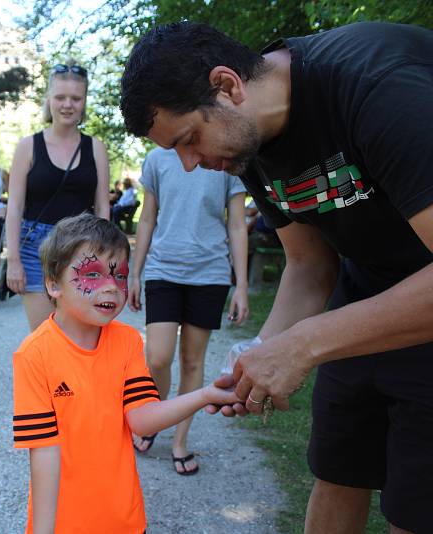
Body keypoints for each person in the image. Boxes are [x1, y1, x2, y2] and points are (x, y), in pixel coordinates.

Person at [120, 21, 433, 533]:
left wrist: (306, 343)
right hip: (362, 295)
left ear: (227, 86)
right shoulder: (246, 142)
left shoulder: (380, 88)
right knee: (336, 474)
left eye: (190, 139)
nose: (193, 164)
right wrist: (260, 352)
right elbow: (310, 266)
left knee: (413, 509)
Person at [12, 213, 241, 534]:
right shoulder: (33, 355)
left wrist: (204, 395)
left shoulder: (127, 341)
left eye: (119, 276)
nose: (111, 288)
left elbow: (141, 419)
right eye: (92, 274)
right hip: (65, 523)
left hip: (124, 519)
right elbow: (44, 452)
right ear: (53, 284)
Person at [127, 147, 249, 474]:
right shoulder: (157, 159)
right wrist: (134, 274)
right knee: (157, 357)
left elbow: (237, 225)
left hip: (209, 273)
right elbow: (148, 218)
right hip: (163, 269)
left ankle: (180, 440)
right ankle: (154, 419)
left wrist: (241, 285)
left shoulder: (224, 154)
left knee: (193, 361)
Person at [6, 61, 111, 331]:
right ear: (49, 100)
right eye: (60, 97)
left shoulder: (96, 148)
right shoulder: (28, 146)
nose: (68, 105)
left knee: (80, 334)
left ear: (84, 102)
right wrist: (13, 260)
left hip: (83, 248)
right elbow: (15, 207)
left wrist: (105, 257)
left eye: (76, 98)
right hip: (34, 250)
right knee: (45, 336)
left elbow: (102, 206)